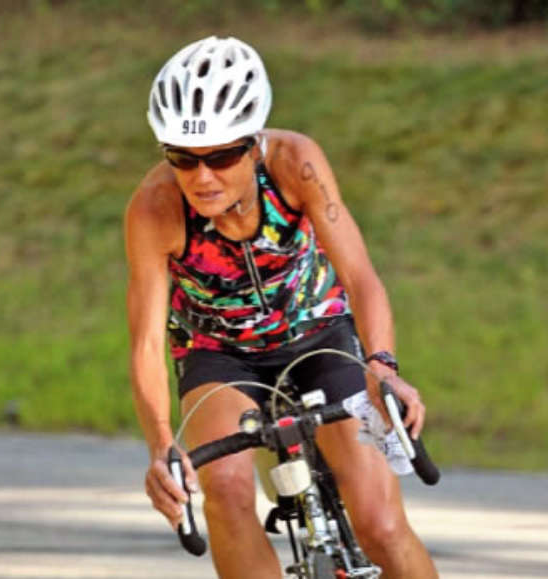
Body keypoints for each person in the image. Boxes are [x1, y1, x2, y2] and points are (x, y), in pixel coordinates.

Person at [125, 35, 439, 579]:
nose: (202, 177)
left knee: (381, 524)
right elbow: (148, 341)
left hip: (319, 329)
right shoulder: (155, 209)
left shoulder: (297, 163)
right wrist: (161, 447)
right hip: (218, 350)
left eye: (220, 156)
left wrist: (383, 366)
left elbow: (360, 277)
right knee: (222, 488)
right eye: (182, 157)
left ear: (252, 145)